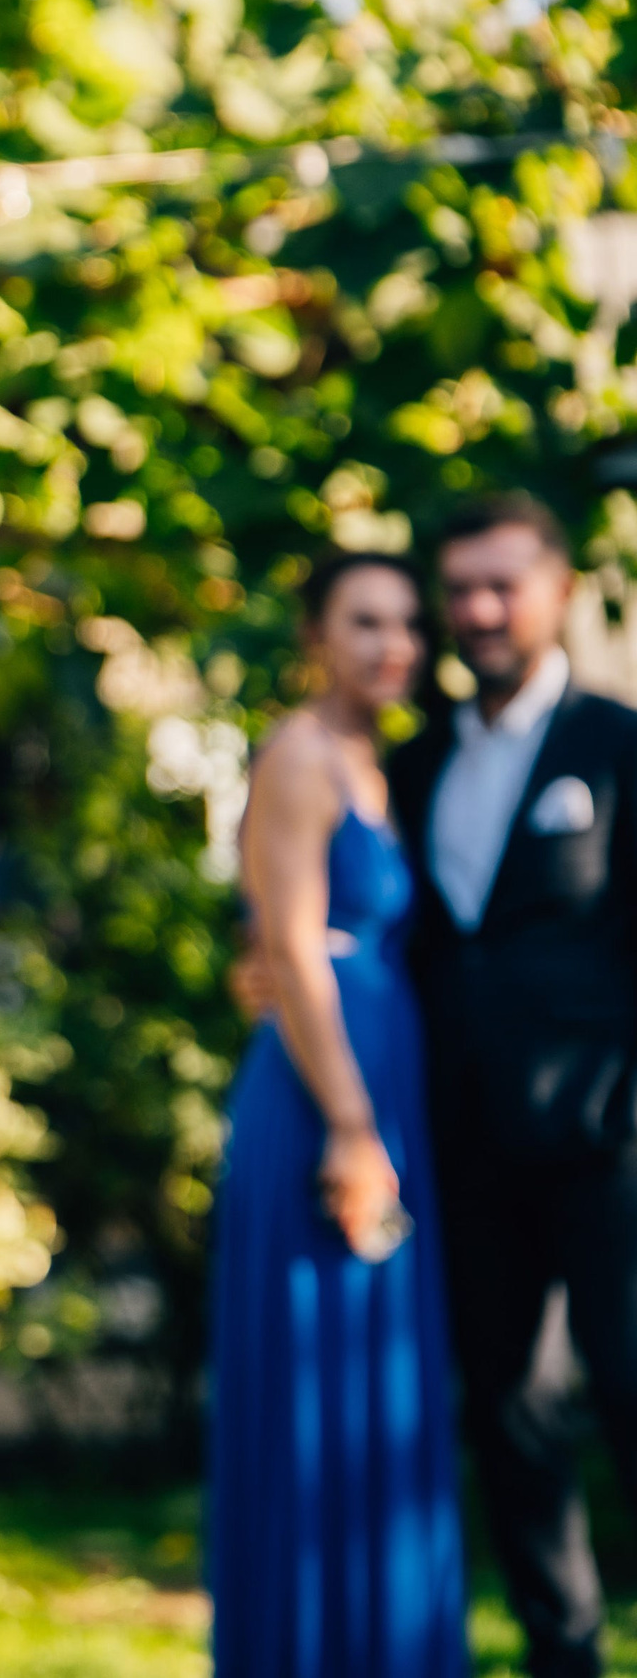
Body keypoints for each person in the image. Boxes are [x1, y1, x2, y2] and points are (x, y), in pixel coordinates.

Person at [388, 494, 637, 1678]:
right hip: (468, 1146)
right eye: (460, 590)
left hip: (609, 1144)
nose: (479, 611)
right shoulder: (414, 760)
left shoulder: (617, 745)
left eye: (503, 586)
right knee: (512, 1415)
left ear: (556, 592)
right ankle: (563, 1656)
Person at [208, 553, 467, 1676]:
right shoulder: (299, 754)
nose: (392, 644)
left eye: (406, 623)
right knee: (319, 1383)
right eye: (364, 621)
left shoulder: (383, 761)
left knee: (384, 1383)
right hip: (327, 1095)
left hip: (380, 1072)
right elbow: (292, 948)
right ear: (314, 633)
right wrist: (354, 1130)